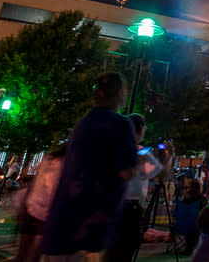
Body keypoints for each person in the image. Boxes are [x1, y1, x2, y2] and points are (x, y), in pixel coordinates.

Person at [41, 72, 137, 262]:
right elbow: (127, 172)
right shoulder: (120, 124)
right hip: (90, 227)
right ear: (119, 93)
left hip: (61, 224)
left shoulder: (82, 124)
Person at [108, 113, 165, 262]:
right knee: (125, 251)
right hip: (130, 209)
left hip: (111, 206)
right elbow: (162, 173)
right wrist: (168, 156)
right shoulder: (141, 152)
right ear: (140, 130)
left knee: (111, 251)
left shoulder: (114, 148)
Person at [15, 145, 66, 262]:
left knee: (22, 252)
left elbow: (34, 183)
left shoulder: (47, 160)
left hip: (30, 207)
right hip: (43, 215)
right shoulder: (62, 165)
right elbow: (52, 190)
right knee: (34, 255)